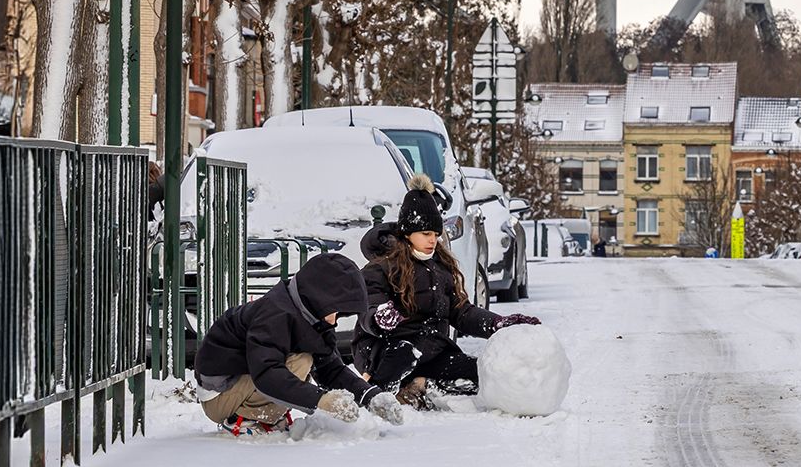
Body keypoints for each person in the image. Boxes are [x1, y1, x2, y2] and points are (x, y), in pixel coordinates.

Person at [353, 174, 540, 409]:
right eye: (426, 234)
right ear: (407, 233)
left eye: (435, 234)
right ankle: (381, 395)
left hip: (432, 351)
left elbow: (461, 312)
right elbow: (368, 308)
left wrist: (499, 324)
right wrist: (379, 317)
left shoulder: (440, 267)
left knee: (478, 374)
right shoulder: (380, 268)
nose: (433, 240)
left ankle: (421, 386)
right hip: (386, 351)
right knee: (405, 352)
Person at [193, 252, 404, 436]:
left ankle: (261, 414)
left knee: (304, 359)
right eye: (335, 310)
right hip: (220, 395)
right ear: (319, 297)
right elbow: (267, 373)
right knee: (301, 361)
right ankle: (244, 418)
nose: (335, 320)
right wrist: (322, 401)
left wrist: (370, 395)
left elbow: (330, 369)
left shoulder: (308, 316)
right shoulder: (274, 315)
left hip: (241, 383)